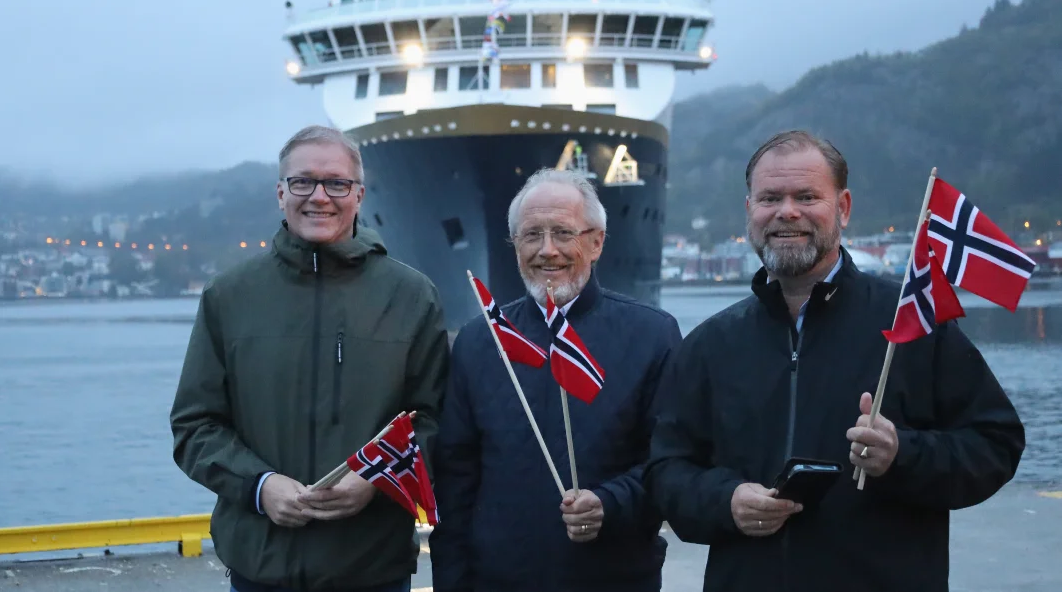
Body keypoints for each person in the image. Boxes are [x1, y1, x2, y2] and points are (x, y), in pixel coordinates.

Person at [643, 130, 1025, 592]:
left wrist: (903, 455)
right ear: (749, 211)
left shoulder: (913, 325)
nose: (787, 211)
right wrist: (726, 501)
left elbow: (996, 444)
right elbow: (666, 471)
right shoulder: (709, 344)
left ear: (842, 208)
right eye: (770, 198)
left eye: (807, 196)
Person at [170, 125, 448, 592]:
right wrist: (260, 487)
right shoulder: (229, 296)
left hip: (372, 568)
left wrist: (375, 479)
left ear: (359, 195)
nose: (319, 196)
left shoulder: (412, 296)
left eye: (336, 183)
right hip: (260, 567)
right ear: (280, 193)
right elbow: (195, 426)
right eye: (303, 182)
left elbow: (436, 418)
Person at [428, 169, 683, 592]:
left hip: (613, 580)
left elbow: (671, 463)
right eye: (532, 235)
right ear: (514, 247)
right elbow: (455, 479)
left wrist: (609, 502)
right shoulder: (480, 340)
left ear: (596, 242)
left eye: (564, 233)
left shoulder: (653, 335)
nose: (548, 251)